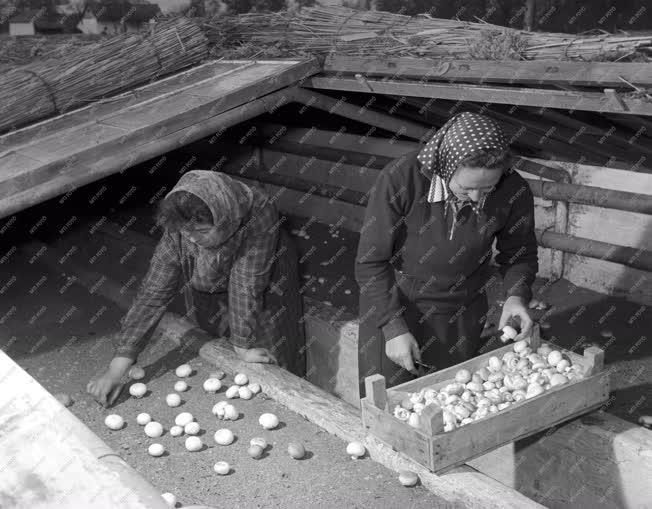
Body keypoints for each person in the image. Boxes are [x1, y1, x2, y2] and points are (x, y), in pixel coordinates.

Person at [355, 112, 538, 396]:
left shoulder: (514, 190)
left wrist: (516, 295)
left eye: (488, 188)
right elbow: (370, 261)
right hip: (396, 303)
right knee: (390, 401)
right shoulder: (402, 179)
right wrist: (392, 328)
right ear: (446, 166)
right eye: (467, 188)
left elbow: (520, 254)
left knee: (452, 396)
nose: (477, 198)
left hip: (461, 311)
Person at [87, 170, 304, 407]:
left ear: (226, 220)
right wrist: (118, 367)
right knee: (213, 324)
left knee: (266, 344)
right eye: (185, 232)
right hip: (212, 270)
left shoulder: (257, 211)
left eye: (201, 231)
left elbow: (247, 283)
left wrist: (242, 345)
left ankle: (291, 396)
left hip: (266, 267)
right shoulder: (180, 226)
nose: (191, 239)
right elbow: (153, 292)